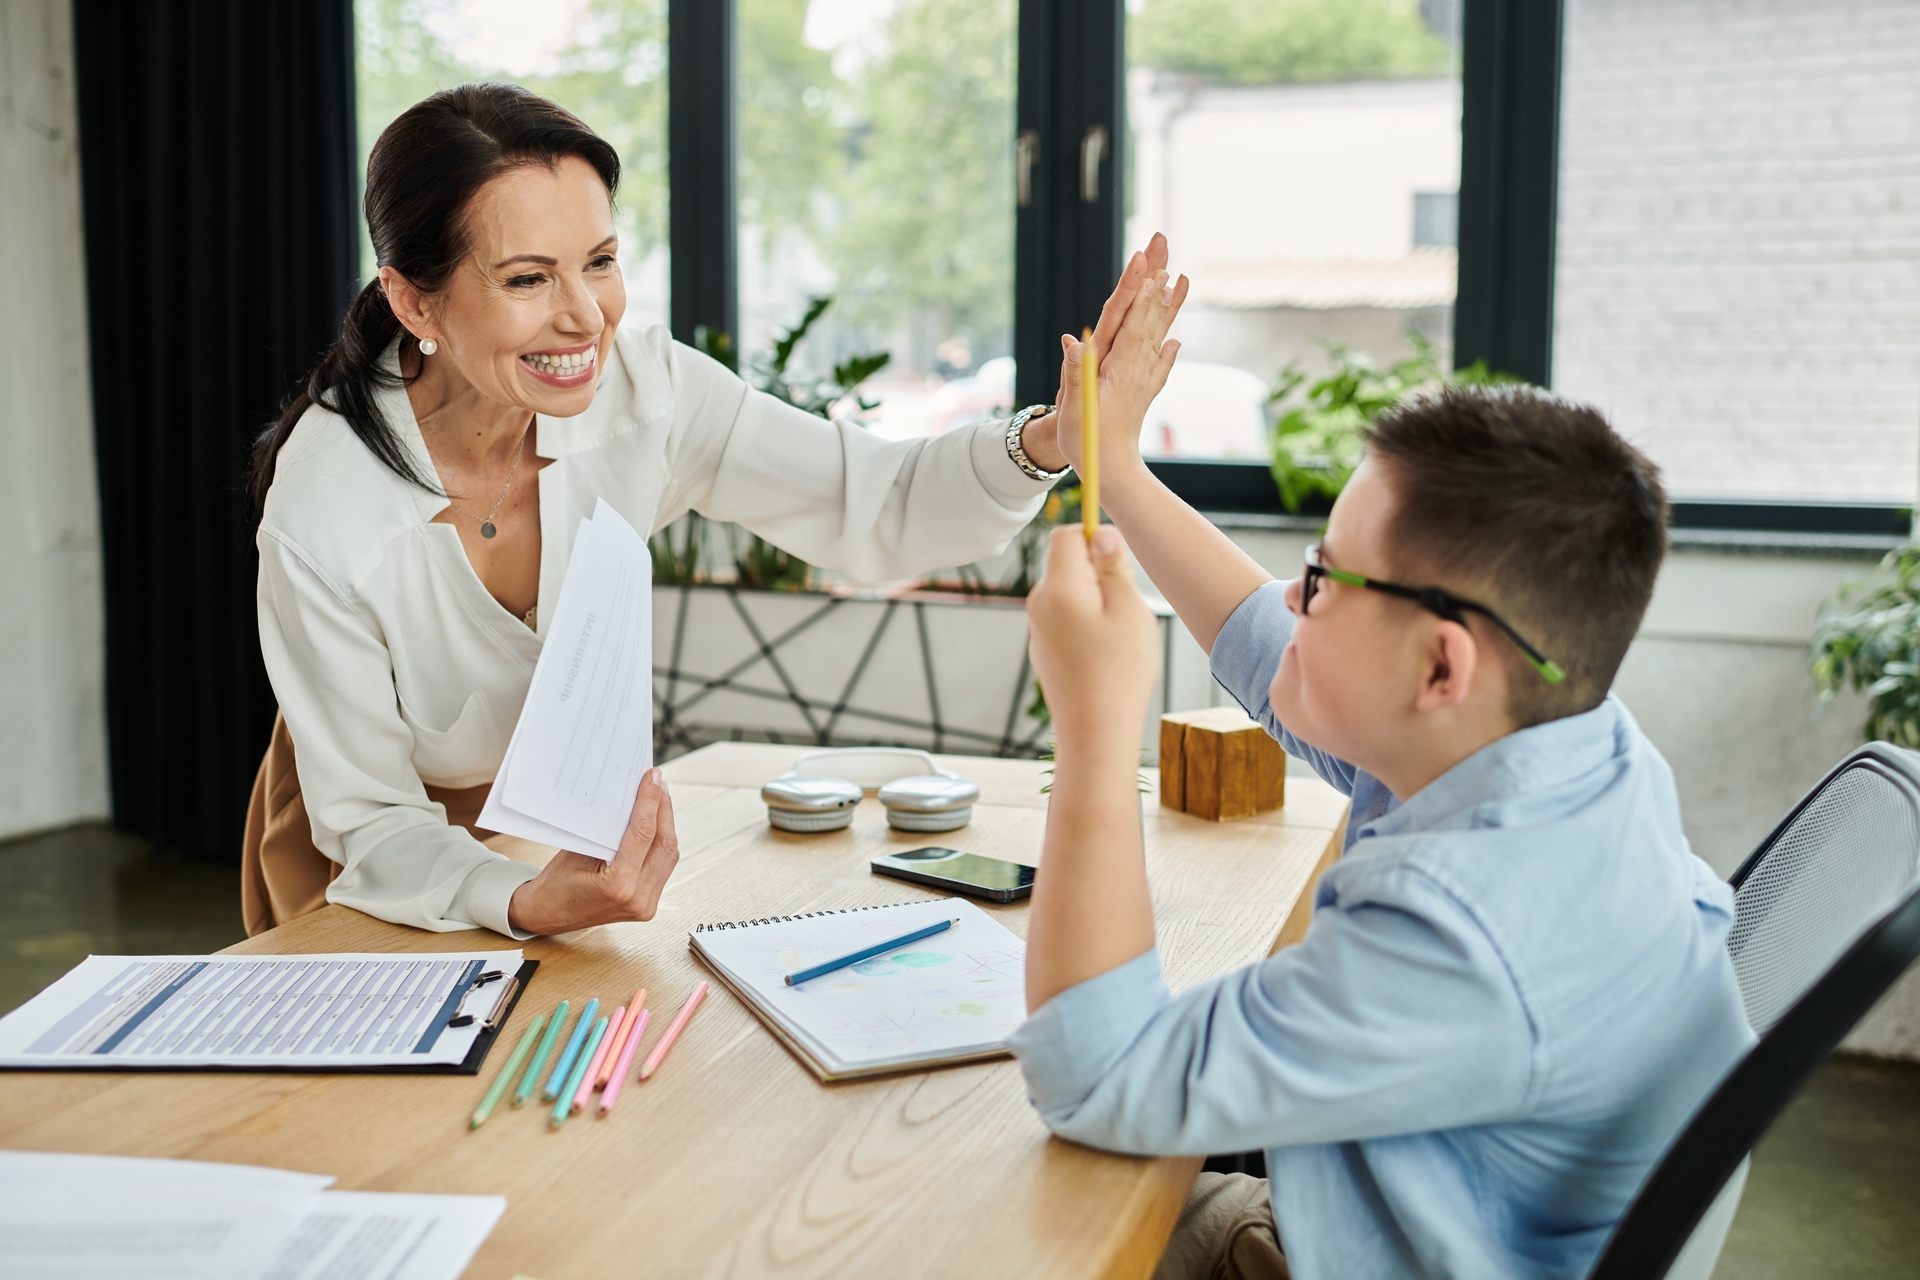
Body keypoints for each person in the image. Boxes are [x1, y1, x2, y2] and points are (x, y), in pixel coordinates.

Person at [244, 82, 1167, 940]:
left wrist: (1053, 439)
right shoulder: (327, 504)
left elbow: (874, 498)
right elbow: (370, 820)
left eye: (599, 262)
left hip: (548, 828)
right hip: (370, 858)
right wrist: (524, 899)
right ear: (413, 299)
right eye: (528, 279)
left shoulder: (646, 393)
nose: (584, 317)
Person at [1008, 277, 1756, 1278]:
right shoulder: (1578, 743)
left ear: (1442, 665)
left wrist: (1095, 727)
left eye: (1325, 577)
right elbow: (1276, 646)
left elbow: (1093, 1074)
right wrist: (1120, 474)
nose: (1291, 593)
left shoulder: (1457, 925)